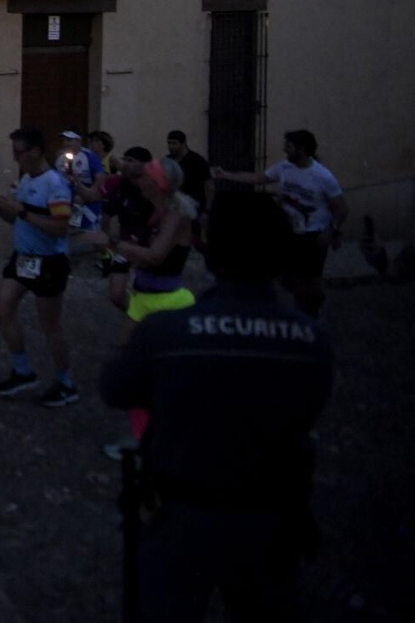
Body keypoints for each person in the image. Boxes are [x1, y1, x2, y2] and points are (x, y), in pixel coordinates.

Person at [100, 191, 332, 622]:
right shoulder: (312, 341)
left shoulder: (167, 332)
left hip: (183, 515)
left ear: (209, 250)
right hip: (271, 520)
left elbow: (114, 388)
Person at [77, 156, 199, 458]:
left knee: (143, 368)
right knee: (135, 366)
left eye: (145, 177)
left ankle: (159, 434)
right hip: (145, 297)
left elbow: (156, 256)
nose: (139, 181)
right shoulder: (155, 209)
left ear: (157, 184)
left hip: (168, 301)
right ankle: (147, 433)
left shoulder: (176, 214)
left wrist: (109, 242)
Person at [0, 127, 77, 406]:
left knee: (50, 325)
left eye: (19, 152)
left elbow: (60, 228)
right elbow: (19, 221)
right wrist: (1, 209)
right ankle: (23, 370)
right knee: (2, 308)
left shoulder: (55, 185)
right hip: (23, 258)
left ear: (36, 151)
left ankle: (66, 382)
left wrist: (21, 211)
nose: (15, 158)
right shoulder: (25, 180)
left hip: (49, 262)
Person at [214, 130, 347, 317]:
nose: (285, 151)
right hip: (289, 232)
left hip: (313, 235)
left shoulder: (323, 176)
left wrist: (332, 231)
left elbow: (341, 208)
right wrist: (227, 175)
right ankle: (303, 304)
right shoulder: (284, 167)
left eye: (289, 147)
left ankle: (308, 314)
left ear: (303, 149)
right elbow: (259, 178)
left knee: (310, 280)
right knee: (288, 277)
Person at [98, 146, 156, 313]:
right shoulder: (119, 184)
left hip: (149, 245)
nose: (125, 163)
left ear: (145, 165)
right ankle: (138, 315)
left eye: (131, 161)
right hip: (126, 244)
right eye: (125, 160)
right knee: (116, 294)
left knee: (148, 290)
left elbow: (144, 188)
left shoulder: (151, 184)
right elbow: (106, 211)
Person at [166, 130, 214, 219]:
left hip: (194, 207)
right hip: (173, 207)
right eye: (169, 143)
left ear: (183, 143)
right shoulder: (168, 161)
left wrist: (207, 210)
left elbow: (209, 186)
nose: (171, 146)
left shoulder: (197, 161)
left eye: (174, 143)